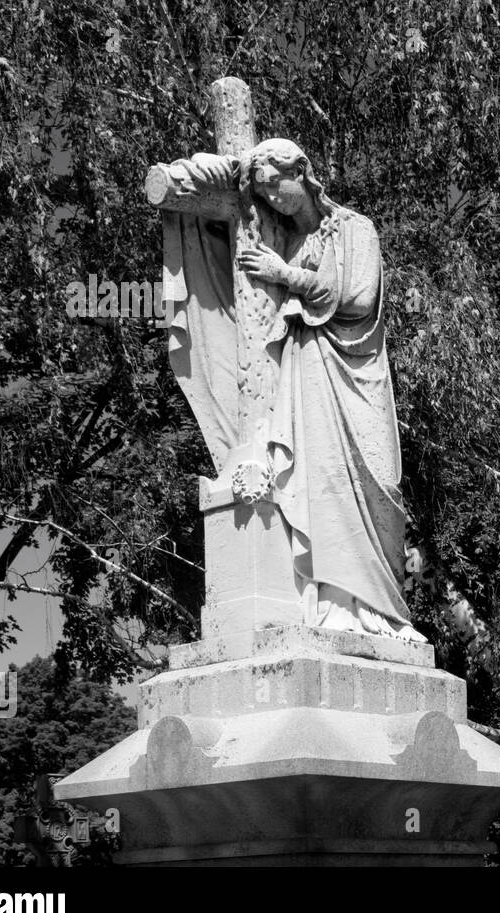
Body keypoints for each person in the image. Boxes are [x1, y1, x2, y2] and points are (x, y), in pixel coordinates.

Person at [167, 138, 424, 643]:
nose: (275, 199)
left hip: (355, 375)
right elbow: (228, 258)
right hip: (306, 373)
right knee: (321, 478)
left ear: (302, 172)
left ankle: (383, 613)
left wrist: (287, 276)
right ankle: (332, 605)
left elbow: (359, 296)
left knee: (378, 482)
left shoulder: (354, 228)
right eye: (263, 192)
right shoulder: (282, 240)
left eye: (277, 186)